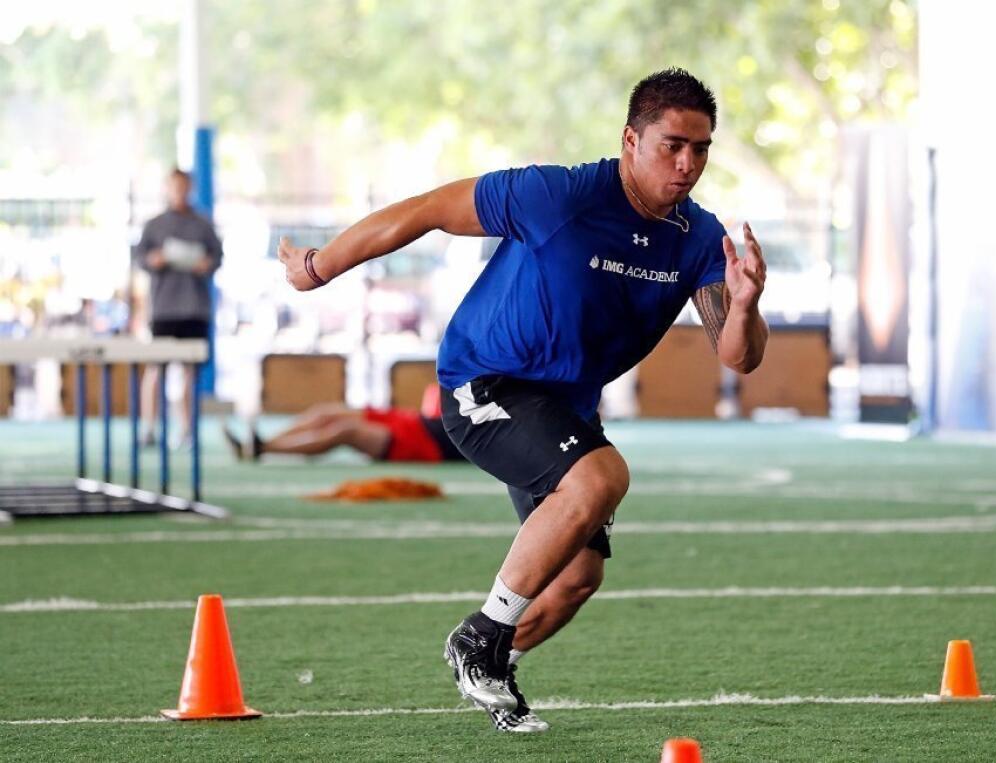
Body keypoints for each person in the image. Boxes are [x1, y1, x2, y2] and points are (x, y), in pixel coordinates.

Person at [278, 68, 768, 733]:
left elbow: (738, 354)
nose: (688, 164)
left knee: (574, 580)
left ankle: (490, 664)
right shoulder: (556, 195)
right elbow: (425, 209)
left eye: (702, 148)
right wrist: (319, 266)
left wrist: (744, 303)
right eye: (673, 145)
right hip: (486, 381)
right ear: (630, 140)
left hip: (564, 405)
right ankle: (479, 638)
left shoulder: (699, 238)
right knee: (603, 476)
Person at [134, 168, 222, 445]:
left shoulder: (203, 225)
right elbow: (139, 258)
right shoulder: (154, 225)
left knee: (189, 371)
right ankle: (148, 427)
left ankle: (185, 429)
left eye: (184, 187)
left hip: (194, 308)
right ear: (167, 188)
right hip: (164, 309)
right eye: (174, 187)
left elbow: (217, 258)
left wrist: (206, 264)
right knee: (155, 369)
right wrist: (154, 260)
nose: (179, 192)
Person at [221, 403, 465, 464]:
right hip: (416, 421)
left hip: (428, 444)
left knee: (345, 431)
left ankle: (263, 448)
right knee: (326, 413)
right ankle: (258, 444)